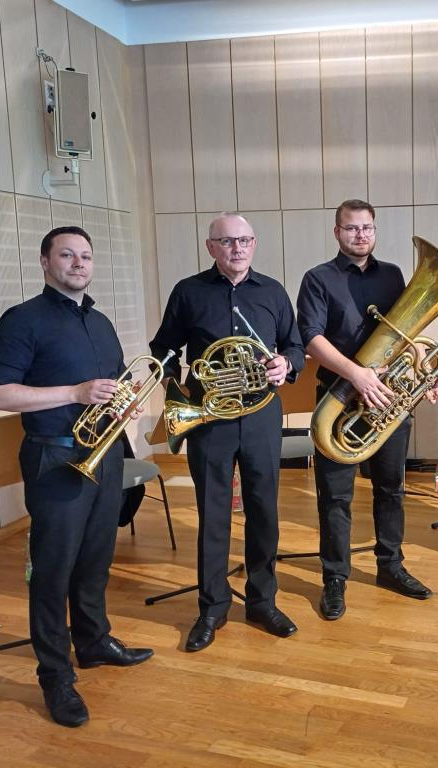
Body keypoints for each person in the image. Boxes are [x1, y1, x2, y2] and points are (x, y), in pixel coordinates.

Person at [0, 226, 153, 728]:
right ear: (45, 262)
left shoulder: (99, 321)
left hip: (105, 456)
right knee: (52, 572)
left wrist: (125, 400)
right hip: (55, 459)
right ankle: (55, 675)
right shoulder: (23, 319)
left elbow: (114, 383)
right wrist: (74, 393)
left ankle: (94, 642)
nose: (79, 264)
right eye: (67, 255)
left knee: (96, 560)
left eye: (86, 256)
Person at [150, 213, 304, 649]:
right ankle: (212, 607)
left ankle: (262, 601)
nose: (237, 248)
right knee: (213, 513)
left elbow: (295, 345)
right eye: (227, 241)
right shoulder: (188, 291)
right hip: (208, 416)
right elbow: (163, 349)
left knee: (263, 510)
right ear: (210, 247)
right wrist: (174, 389)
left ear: (254, 244)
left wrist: (286, 363)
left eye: (244, 240)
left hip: (260, 416)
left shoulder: (273, 291)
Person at [297, 198, 433, 622]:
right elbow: (311, 338)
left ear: (375, 230)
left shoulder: (392, 274)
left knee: (391, 489)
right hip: (339, 398)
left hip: (387, 399)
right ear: (337, 232)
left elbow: (406, 333)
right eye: (352, 228)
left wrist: (424, 370)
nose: (361, 235)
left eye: (367, 228)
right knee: (336, 497)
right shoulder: (318, 278)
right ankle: (335, 577)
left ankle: (390, 566)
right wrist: (357, 374)